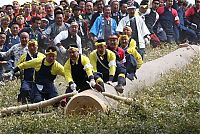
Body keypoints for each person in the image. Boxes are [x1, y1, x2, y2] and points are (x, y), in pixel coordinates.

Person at [16, 39, 45, 104]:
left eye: (34, 45)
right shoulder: (24, 56)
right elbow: (18, 66)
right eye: (30, 46)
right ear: (28, 47)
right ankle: (24, 105)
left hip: (39, 81)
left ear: (37, 47)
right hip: (27, 80)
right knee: (24, 90)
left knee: (38, 99)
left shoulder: (42, 56)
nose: (32, 48)